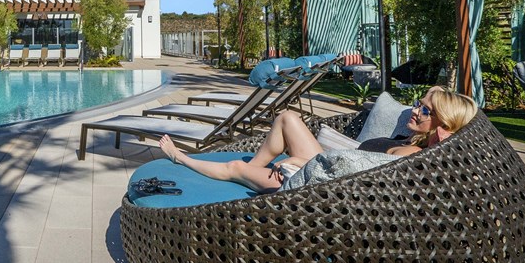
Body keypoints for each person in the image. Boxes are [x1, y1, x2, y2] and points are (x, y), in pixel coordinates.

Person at [158, 86, 477, 194]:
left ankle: (182, 158)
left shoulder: (410, 154)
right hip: (323, 166)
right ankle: (256, 170)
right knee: (287, 118)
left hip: (314, 185)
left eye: (425, 110)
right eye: (418, 103)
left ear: (442, 125)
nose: (415, 109)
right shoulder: (412, 138)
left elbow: (360, 183)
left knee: (232, 168)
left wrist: (301, 167)